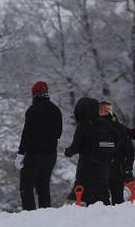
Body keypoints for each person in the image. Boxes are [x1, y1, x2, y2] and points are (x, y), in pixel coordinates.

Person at [64, 97, 119, 206]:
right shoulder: (106, 124)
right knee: (102, 195)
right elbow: (117, 138)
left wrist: (67, 152)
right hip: (103, 166)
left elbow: (75, 146)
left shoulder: (83, 125)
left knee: (83, 194)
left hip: (86, 167)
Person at [17, 81, 63, 211]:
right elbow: (59, 133)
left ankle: (30, 217)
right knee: (43, 188)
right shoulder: (56, 110)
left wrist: (21, 153)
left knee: (26, 188)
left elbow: (26, 134)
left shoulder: (33, 110)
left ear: (34, 94)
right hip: (51, 155)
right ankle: (46, 217)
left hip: (34, 155)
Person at [98, 101, 135, 205]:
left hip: (116, 170)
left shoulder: (120, 129)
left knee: (117, 202)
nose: (102, 113)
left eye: (104, 110)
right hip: (99, 171)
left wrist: (128, 170)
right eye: (100, 110)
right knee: (99, 204)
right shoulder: (92, 127)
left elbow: (130, 152)